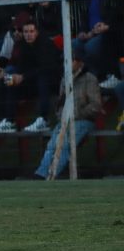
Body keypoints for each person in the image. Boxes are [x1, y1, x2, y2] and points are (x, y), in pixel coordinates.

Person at [34, 48, 102, 179]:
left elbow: (96, 105)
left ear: (80, 62)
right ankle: (40, 174)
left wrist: (76, 114)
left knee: (65, 145)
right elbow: (60, 102)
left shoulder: (90, 79)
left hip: (84, 120)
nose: (67, 63)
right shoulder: (65, 79)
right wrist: (62, 115)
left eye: (71, 60)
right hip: (66, 120)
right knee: (52, 145)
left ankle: (51, 174)